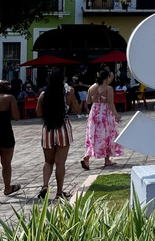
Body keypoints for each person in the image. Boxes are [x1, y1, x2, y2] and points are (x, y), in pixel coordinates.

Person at [37, 71, 80, 200]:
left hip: (48, 129)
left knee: (48, 161)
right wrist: (72, 96)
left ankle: (45, 185)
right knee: (60, 163)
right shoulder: (67, 94)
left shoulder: (43, 95)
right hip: (63, 128)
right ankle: (59, 192)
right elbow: (78, 110)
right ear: (62, 81)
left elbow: (38, 113)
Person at [81, 70, 123, 170]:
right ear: (106, 78)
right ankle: (107, 160)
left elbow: (88, 101)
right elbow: (110, 103)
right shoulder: (108, 88)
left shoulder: (92, 87)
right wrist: (116, 115)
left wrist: (95, 98)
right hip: (104, 113)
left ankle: (87, 156)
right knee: (107, 134)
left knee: (93, 134)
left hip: (94, 112)